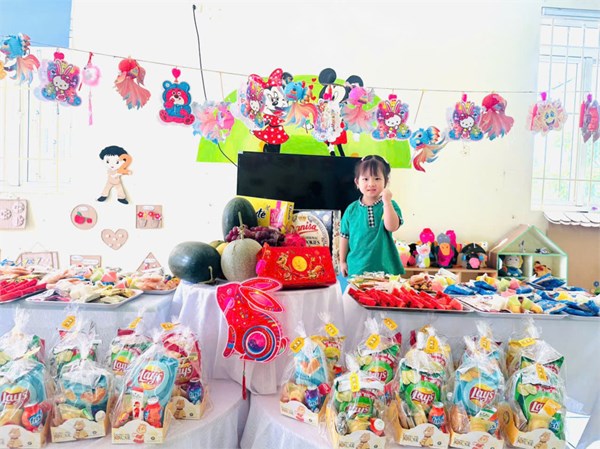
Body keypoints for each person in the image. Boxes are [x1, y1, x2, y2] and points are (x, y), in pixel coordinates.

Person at [340, 155, 404, 277]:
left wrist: (387, 202)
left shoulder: (390, 205)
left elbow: (392, 227)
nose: (371, 183)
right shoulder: (351, 210)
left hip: (385, 270)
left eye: (377, 178)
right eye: (365, 179)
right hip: (357, 270)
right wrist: (342, 261)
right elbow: (344, 237)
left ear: (386, 182)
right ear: (357, 182)